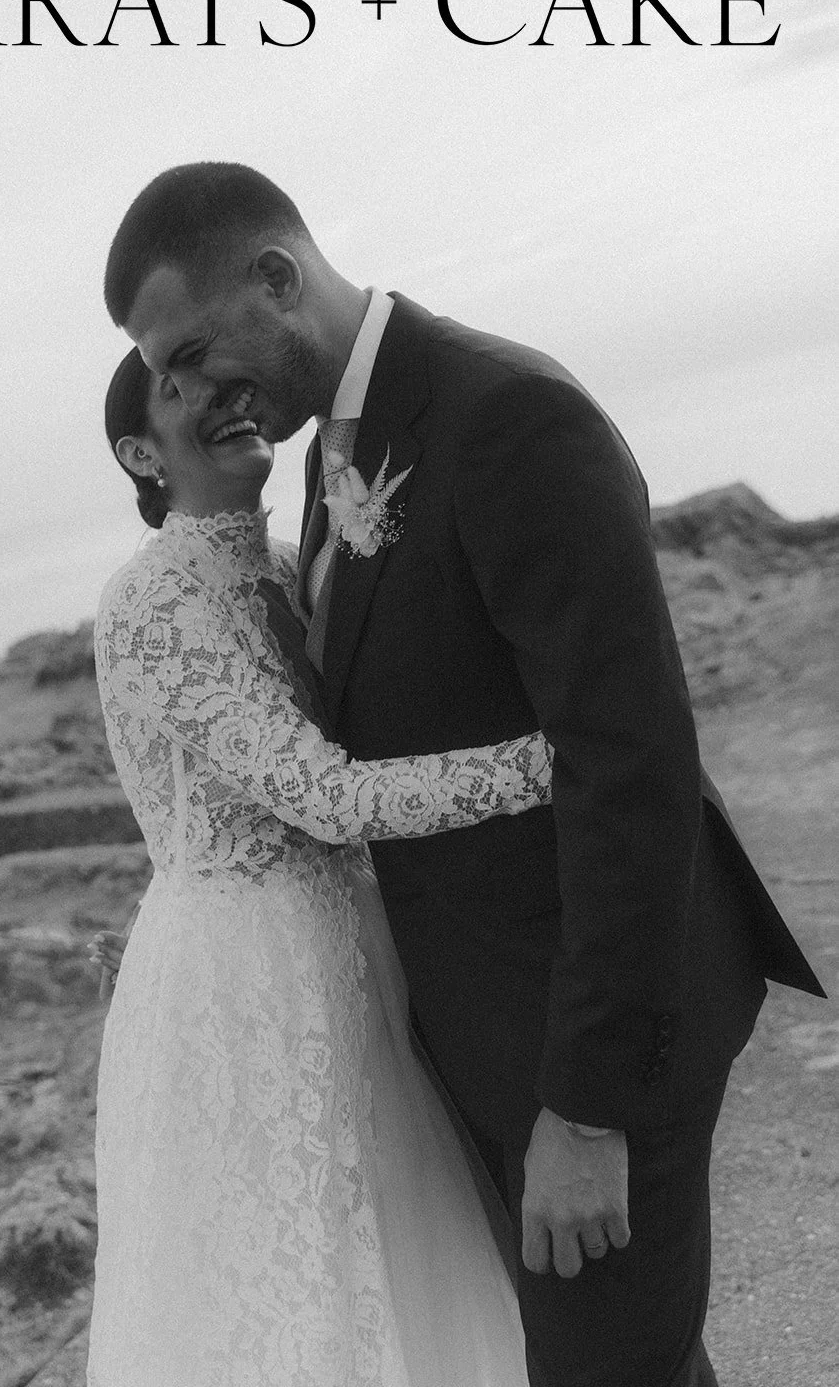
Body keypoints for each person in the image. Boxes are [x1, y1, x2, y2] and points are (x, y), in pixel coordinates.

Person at [102, 162, 825, 1387]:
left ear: (275, 277)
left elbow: (628, 761)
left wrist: (589, 1108)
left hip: (581, 1034)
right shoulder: (339, 450)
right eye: (165, 375)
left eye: (192, 351)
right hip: (472, 1026)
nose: (194, 391)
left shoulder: (504, 415)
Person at [86, 345, 554, 1387]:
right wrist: (554, 762)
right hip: (244, 977)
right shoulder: (151, 603)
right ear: (139, 454)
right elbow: (327, 797)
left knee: (404, 1246)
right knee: (297, 1283)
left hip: (357, 945)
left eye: (224, 376)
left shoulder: (287, 562)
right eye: (179, 387)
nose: (223, 396)